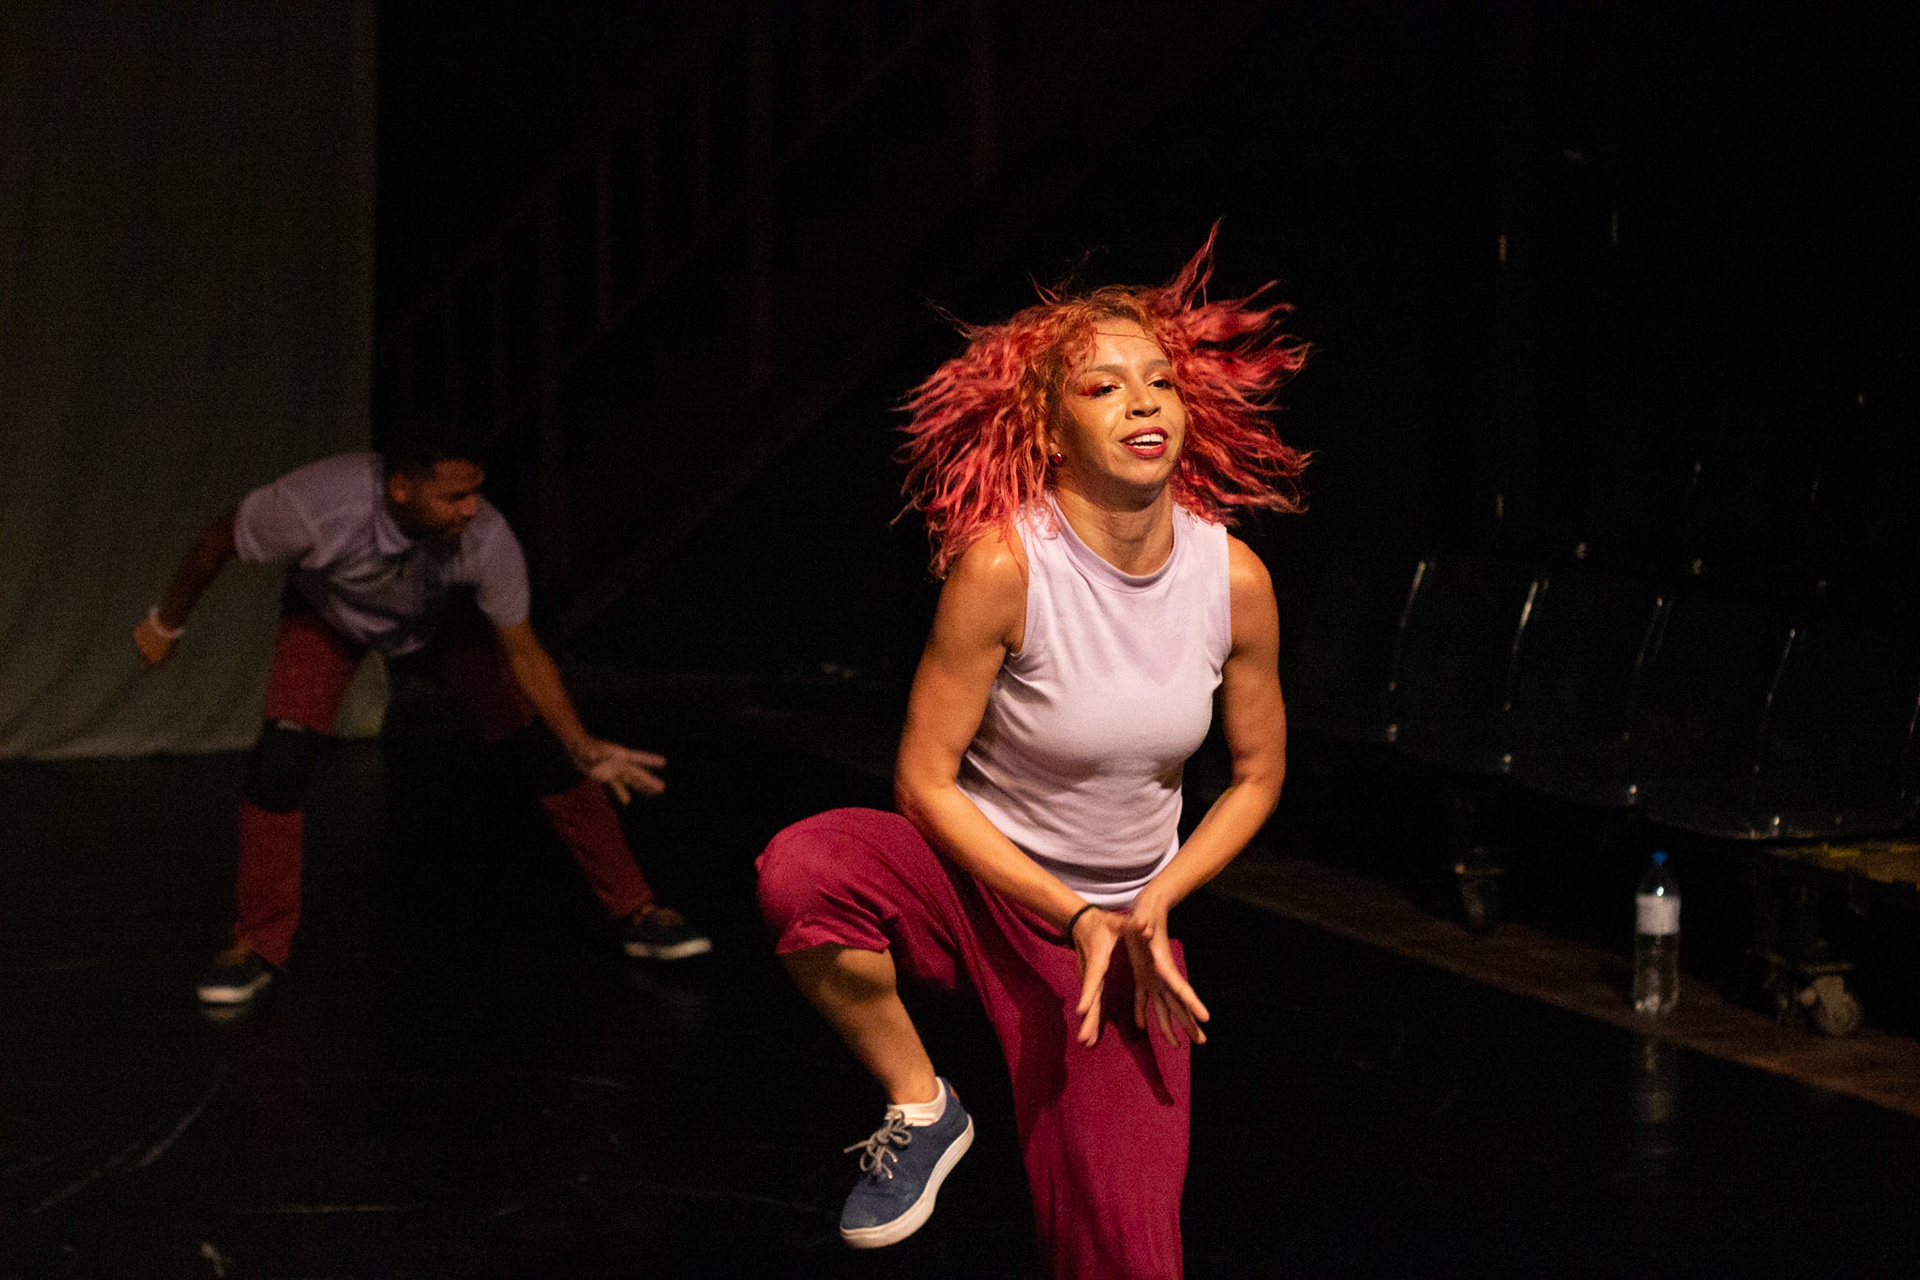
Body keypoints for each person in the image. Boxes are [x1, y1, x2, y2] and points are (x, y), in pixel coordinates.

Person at [756, 228, 1307, 1278]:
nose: (1143, 403)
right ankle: (922, 1105)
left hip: (1121, 939)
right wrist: (1070, 909)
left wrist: (1152, 901)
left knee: (1126, 1257)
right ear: (1050, 430)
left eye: (1159, 382)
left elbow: (1260, 773)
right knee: (807, 868)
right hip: (977, 891)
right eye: (1104, 387)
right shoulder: (1007, 566)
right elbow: (923, 780)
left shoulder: (1233, 579)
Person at [135, 426, 710, 1007]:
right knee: (279, 765)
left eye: (476, 491)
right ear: (401, 489)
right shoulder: (315, 505)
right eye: (454, 496)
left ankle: (639, 912)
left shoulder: (486, 537)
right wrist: (166, 622)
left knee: (546, 750)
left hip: (443, 618)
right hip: (328, 615)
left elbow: (525, 654)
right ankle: (256, 946)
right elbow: (216, 541)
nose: (472, 508)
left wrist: (581, 743)